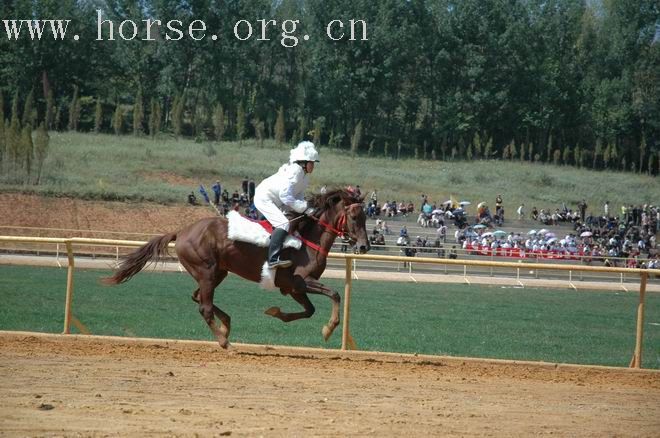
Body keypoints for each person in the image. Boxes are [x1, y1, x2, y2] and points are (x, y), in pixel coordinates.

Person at [254, 141, 319, 269]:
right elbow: (285, 196)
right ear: (303, 163)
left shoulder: (304, 176)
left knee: (292, 220)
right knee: (284, 223)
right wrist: (304, 208)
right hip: (265, 199)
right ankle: (273, 259)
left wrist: (305, 209)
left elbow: (298, 196)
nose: (313, 166)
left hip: (277, 201)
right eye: (311, 163)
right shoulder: (294, 172)